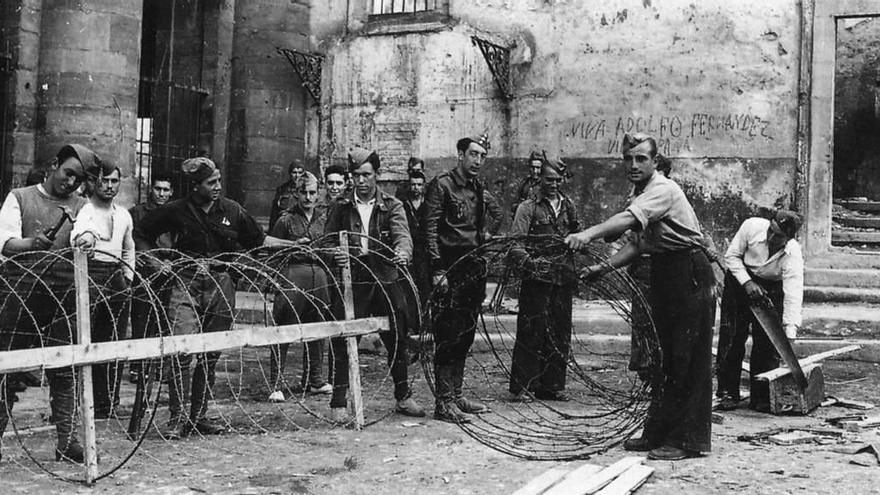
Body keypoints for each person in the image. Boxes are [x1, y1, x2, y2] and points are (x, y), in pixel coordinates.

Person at [565, 133, 716, 461]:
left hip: (689, 271)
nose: (633, 165)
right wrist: (602, 268)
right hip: (665, 270)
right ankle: (657, 432)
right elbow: (637, 244)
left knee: (685, 359)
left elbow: (628, 221)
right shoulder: (641, 191)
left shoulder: (662, 189)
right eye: (628, 158)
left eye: (641, 159)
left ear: (655, 161)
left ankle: (684, 441)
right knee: (662, 358)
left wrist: (586, 234)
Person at [134, 157, 295, 439]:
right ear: (196, 187)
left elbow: (259, 241)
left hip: (221, 285)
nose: (218, 186)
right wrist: (156, 261)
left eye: (219, 180)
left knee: (210, 354)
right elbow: (141, 233)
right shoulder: (175, 210)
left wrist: (292, 245)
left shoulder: (232, 211)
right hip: (186, 283)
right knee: (182, 351)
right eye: (211, 183)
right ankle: (177, 418)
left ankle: (199, 416)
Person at [0, 143, 91, 463]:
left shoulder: (82, 205)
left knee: (63, 369)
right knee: (7, 370)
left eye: (78, 180)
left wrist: (87, 239)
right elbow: (6, 243)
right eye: (68, 174)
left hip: (62, 298)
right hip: (20, 295)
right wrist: (30, 243)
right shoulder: (20, 198)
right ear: (54, 165)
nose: (72, 183)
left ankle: (67, 442)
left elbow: (86, 234)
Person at [323, 147, 426, 421]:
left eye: (366, 175)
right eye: (356, 175)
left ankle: (403, 396)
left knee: (397, 334)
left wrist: (403, 253)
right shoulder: (341, 206)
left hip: (384, 275)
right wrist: (335, 254)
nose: (361, 180)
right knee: (345, 337)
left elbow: (402, 236)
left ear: (376, 175)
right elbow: (326, 242)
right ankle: (339, 403)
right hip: (353, 278)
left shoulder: (392, 205)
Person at [424, 132, 500, 423]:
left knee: (466, 332)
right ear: (460, 155)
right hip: (449, 267)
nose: (478, 160)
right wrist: (437, 269)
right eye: (473, 154)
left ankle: (456, 396)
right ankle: (443, 403)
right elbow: (429, 230)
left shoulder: (478, 187)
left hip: (473, 267)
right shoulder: (442, 186)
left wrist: (486, 236)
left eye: (482, 156)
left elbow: (491, 217)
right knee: (448, 333)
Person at [715, 210, 804, 411]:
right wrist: (747, 282)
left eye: (778, 235)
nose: (771, 237)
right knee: (732, 338)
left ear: (789, 239)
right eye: (771, 230)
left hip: (771, 287)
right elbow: (731, 256)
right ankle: (727, 392)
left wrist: (789, 331)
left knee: (767, 343)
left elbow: (793, 293)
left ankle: (762, 396)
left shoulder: (793, 254)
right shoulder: (751, 226)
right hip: (740, 279)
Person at [508, 159, 580, 401]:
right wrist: (531, 263)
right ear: (540, 179)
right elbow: (515, 244)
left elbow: (577, 233)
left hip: (562, 277)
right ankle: (523, 386)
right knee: (532, 331)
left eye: (558, 180)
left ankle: (551, 386)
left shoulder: (568, 206)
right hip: (537, 279)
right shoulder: (527, 207)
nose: (554, 184)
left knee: (559, 332)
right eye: (549, 180)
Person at [70, 160, 135, 419]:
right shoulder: (85, 210)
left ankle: (106, 401)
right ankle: (78, 402)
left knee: (113, 340)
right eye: (104, 180)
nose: (109, 186)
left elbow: (129, 248)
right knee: (86, 338)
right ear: (94, 182)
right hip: (90, 274)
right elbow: (78, 238)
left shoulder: (123, 215)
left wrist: (128, 278)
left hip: (116, 276)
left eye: (114, 181)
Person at [267, 171, 333, 402]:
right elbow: (271, 251)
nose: (308, 197)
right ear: (296, 193)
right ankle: (276, 384)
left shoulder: (325, 219)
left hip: (319, 275)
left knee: (317, 327)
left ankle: (315, 380)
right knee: (285, 327)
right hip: (292, 275)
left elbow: (331, 246)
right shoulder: (285, 219)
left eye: (312, 192)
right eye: (303, 192)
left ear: (318, 194)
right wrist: (276, 279)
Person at [128, 175, 174, 383]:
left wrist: (172, 262)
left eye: (166, 190)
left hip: (168, 273)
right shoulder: (136, 213)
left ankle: (160, 367)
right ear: (150, 189)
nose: (161, 194)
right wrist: (150, 261)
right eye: (158, 189)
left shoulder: (174, 213)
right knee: (141, 320)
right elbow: (132, 241)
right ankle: (138, 367)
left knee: (164, 320)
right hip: (144, 273)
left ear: (171, 192)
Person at [269, 159, 306, 230]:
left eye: (300, 172)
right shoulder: (282, 189)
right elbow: (274, 213)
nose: (297, 176)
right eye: (294, 172)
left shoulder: (308, 190)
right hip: (284, 225)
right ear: (290, 173)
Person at [510, 151, 543, 216]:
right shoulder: (524, 184)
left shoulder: (545, 185)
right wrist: (520, 205)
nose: (535, 171)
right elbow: (513, 206)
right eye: (532, 167)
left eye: (538, 168)